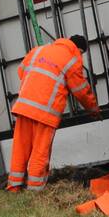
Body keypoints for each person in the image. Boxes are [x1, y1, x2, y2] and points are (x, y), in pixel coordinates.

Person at [7, 35, 99, 192]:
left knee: (20, 148)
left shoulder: (38, 50)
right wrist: (93, 109)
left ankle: (14, 186)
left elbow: (21, 71)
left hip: (24, 107)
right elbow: (81, 91)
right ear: (79, 50)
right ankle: (34, 189)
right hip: (45, 112)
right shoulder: (71, 60)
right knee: (40, 151)